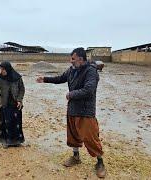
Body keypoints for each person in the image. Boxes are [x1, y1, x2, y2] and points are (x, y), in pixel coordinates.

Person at [36, 48, 106, 178]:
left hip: (86, 111)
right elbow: (60, 78)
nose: (71, 61)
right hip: (73, 108)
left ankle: (100, 162)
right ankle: (76, 156)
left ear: (80, 58)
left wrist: (71, 94)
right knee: (73, 135)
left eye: (73, 59)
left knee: (90, 137)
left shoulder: (91, 71)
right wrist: (45, 79)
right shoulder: (71, 70)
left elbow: (89, 90)